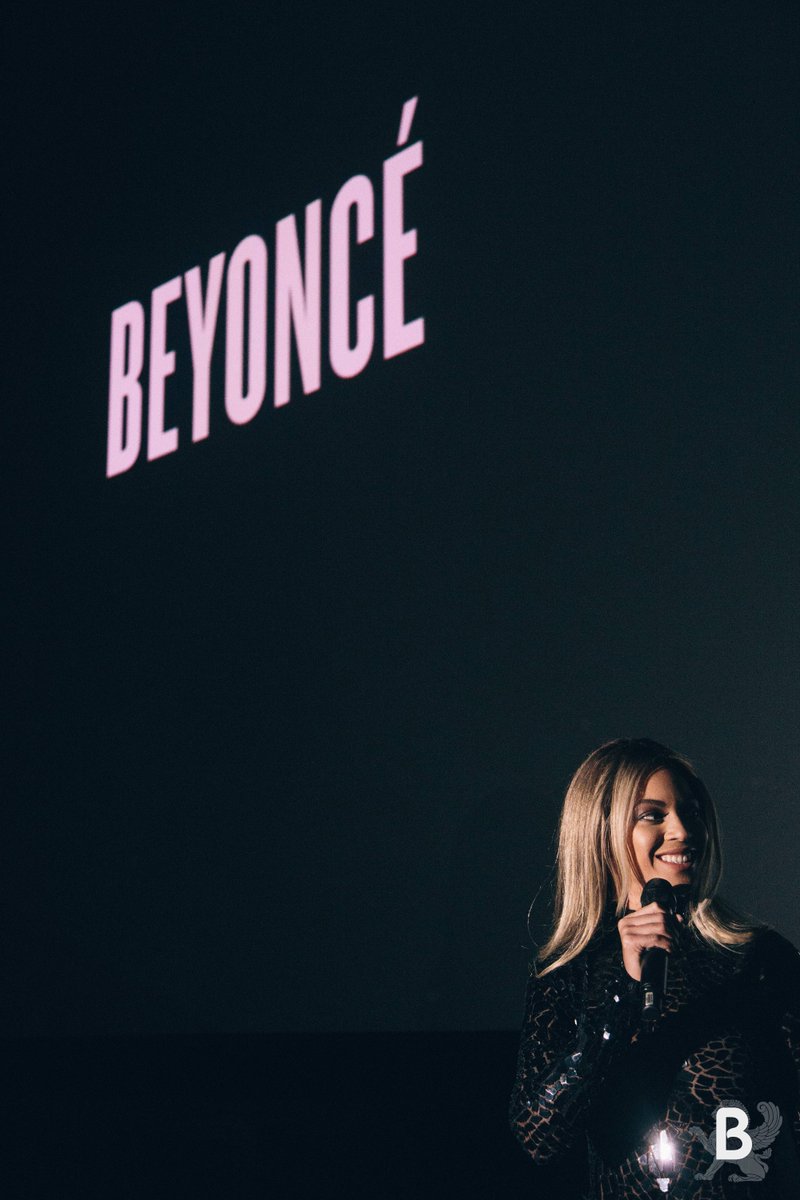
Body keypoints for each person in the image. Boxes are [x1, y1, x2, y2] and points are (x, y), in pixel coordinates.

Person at [508, 738, 800, 1198]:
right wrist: (621, 995)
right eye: (653, 814)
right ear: (601, 830)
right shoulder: (569, 970)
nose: (683, 829)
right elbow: (538, 1138)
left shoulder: (758, 960)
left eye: (692, 811)